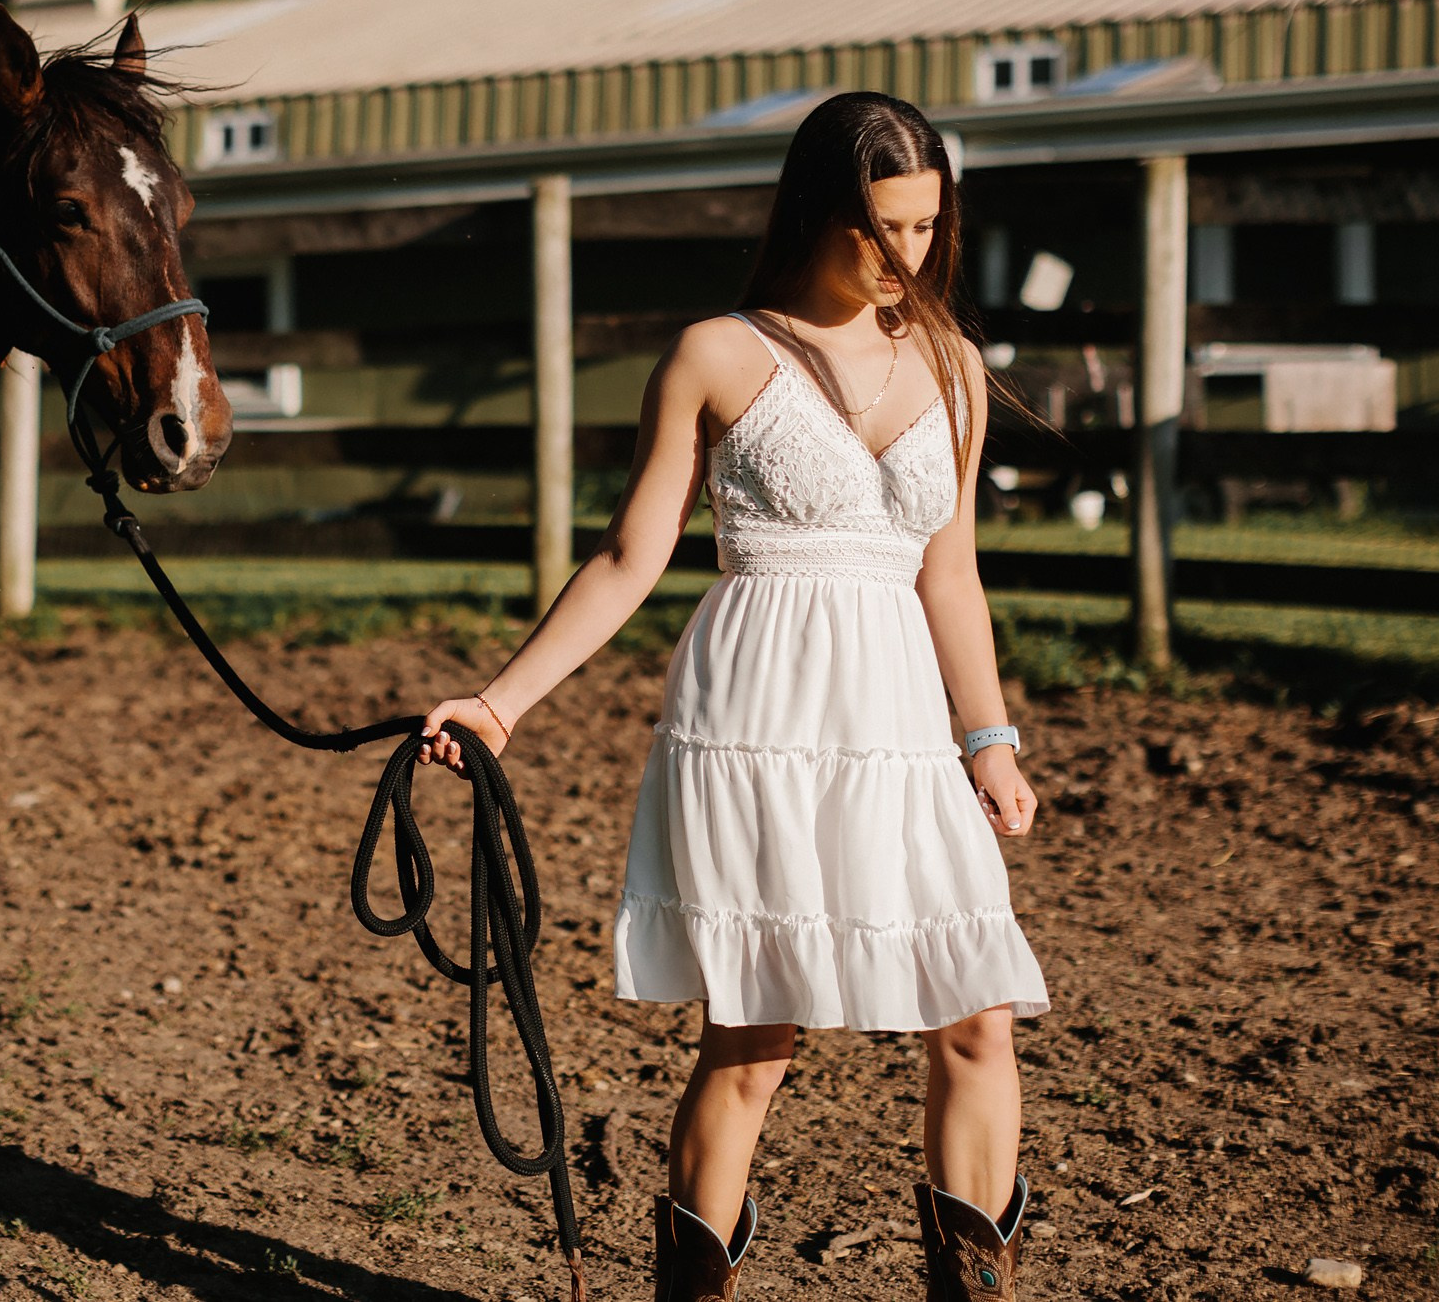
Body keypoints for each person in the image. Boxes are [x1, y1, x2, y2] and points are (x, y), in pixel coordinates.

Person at [420, 92, 1049, 1302]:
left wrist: (989, 737)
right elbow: (628, 555)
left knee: (977, 1017)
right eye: (883, 229)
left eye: (926, 229)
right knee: (753, 1040)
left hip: (903, 724)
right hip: (757, 712)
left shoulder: (954, 366)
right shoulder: (718, 352)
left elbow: (949, 571)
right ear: (817, 208)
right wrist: (501, 703)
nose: (906, 257)